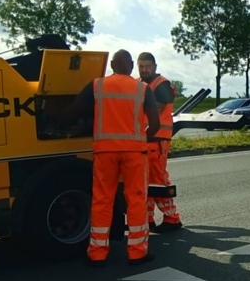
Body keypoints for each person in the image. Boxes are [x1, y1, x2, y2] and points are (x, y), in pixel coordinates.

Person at [67, 49, 161, 267]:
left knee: (102, 200)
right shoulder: (143, 89)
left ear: (112, 65)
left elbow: (73, 111)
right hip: (134, 153)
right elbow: (155, 125)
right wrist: (139, 141)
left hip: (104, 152)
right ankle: (137, 252)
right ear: (130, 65)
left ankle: (97, 253)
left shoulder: (97, 85)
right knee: (136, 200)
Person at [137, 52, 183, 233]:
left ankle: (172, 218)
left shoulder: (162, 84)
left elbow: (156, 109)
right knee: (144, 181)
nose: (144, 70)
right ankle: (147, 219)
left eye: (147, 66)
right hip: (144, 139)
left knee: (158, 180)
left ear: (155, 67)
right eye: (141, 66)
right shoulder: (138, 83)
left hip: (157, 139)